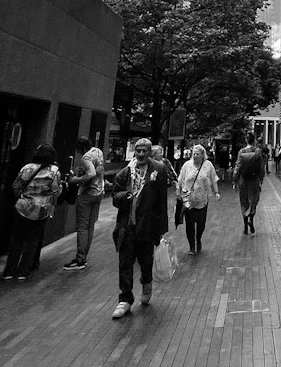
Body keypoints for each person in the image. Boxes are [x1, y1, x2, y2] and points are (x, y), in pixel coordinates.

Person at [110, 140, 175, 319]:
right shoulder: (125, 173)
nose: (140, 154)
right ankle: (125, 299)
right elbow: (114, 196)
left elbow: (161, 201)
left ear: (149, 152)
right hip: (127, 226)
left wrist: (161, 228)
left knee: (146, 261)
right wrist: (126, 196)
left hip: (147, 226)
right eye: (137, 151)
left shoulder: (158, 170)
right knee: (125, 262)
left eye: (144, 151)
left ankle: (146, 282)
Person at [3, 144, 61, 280]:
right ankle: (24, 271)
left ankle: (9, 270)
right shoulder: (54, 171)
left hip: (23, 207)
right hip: (41, 209)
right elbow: (55, 191)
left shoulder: (27, 168)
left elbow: (16, 186)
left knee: (17, 238)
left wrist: (23, 198)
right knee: (33, 240)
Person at [63, 135, 104, 271]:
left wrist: (76, 179)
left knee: (82, 227)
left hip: (87, 194)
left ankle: (80, 259)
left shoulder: (86, 157)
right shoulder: (98, 152)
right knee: (90, 226)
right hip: (98, 193)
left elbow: (91, 174)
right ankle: (83, 257)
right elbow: (98, 170)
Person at [178, 144, 220, 254]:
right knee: (189, 225)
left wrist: (216, 192)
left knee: (201, 224)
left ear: (202, 155)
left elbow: (213, 178)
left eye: (197, 154)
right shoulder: (187, 165)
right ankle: (192, 246)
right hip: (189, 201)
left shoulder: (208, 165)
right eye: (194, 154)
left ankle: (198, 239)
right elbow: (180, 180)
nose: (195, 155)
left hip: (203, 201)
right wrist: (179, 193)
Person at [233, 137, 266, 234]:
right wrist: (261, 178)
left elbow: (237, 166)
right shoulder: (258, 151)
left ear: (246, 141)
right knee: (253, 199)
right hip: (254, 179)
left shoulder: (241, 151)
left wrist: (235, 179)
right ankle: (251, 219)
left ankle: (245, 226)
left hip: (243, 180)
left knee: (244, 200)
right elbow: (261, 166)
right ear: (254, 141)